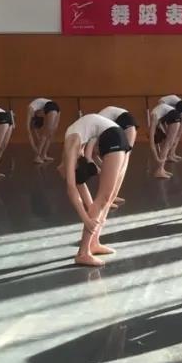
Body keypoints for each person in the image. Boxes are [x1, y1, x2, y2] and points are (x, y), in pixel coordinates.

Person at [59, 113, 132, 267]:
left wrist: (90, 213)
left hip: (115, 135)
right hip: (114, 136)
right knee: (105, 198)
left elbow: (73, 186)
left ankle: (92, 244)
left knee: (107, 198)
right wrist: (88, 217)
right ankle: (83, 253)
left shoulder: (72, 147)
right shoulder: (73, 148)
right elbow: (74, 187)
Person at [97, 105, 138, 206]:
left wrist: (104, 167)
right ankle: (111, 196)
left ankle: (111, 197)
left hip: (126, 123)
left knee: (122, 164)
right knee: (119, 165)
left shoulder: (97, 123)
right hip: (125, 123)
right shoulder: (100, 121)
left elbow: (94, 152)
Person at [148, 101, 180, 180]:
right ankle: (160, 170)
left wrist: (157, 158)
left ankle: (161, 169)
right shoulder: (156, 118)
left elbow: (152, 144)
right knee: (167, 144)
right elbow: (152, 143)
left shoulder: (154, 119)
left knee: (167, 143)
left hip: (174, 116)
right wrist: (157, 158)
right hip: (172, 115)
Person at [26, 97, 61, 164]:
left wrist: (36, 144)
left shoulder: (31, 109)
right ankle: (37, 157)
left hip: (53, 106)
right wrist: (34, 147)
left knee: (50, 134)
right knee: (46, 133)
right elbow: (28, 130)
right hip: (52, 106)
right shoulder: (32, 111)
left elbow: (32, 130)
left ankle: (43, 155)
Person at [158, 95, 182, 162]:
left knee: (179, 132)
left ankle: (171, 154)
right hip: (179, 107)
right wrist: (166, 132)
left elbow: (162, 123)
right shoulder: (163, 107)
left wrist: (166, 132)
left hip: (181, 106)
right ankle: (171, 154)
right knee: (175, 135)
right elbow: (163, 123)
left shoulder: (161, 105)